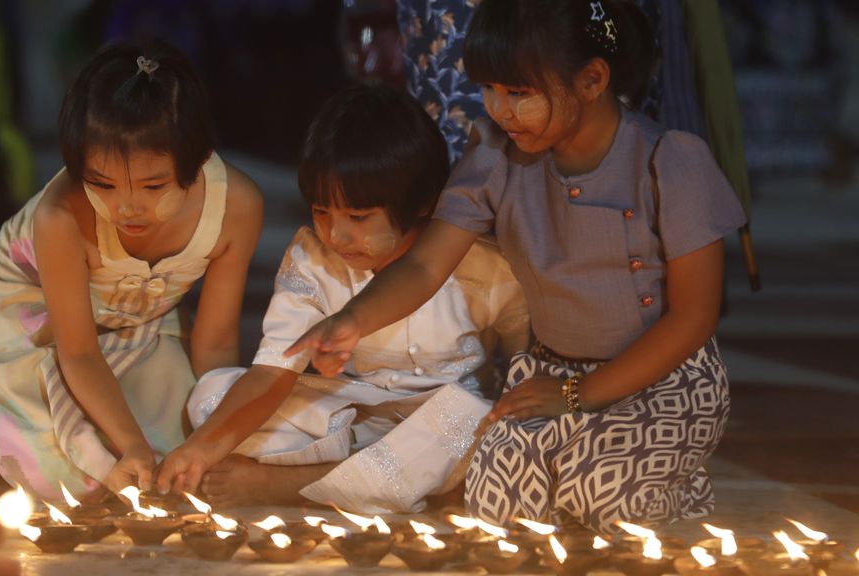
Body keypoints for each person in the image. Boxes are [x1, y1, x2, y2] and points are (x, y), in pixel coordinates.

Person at [289, 0, 746, 533]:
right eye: (488, 89)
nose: (499, 109)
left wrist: (579, 397)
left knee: (602, 496)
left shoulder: (668, 161)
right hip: (550, 374)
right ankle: (588, 459)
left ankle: (675, 482)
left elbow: (694, 316)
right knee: (496, 502)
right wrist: (353, 319)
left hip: (661, 379)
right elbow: (425, 267)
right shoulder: (497, 156)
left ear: (592, 80)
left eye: (519, 93)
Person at [0, 39, 263, 499]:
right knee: (65, 475)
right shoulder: (61, 217)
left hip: (146, 315)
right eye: (102, 184)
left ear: (198, 159)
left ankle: (23, 427)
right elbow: (80, 353)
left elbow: (217, 342)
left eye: (153, 186)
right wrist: (129, 445)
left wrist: (209, 439)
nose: (126, 207)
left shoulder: (236, 207)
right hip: (47, 314)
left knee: (175, 456)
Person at [156, 84, 530, 514]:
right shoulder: (313, 261)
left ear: (423, 202)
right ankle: (386, 484)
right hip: (351, 421)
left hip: (440, 429)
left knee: (478, 424)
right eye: (321, 211)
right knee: (211, 397)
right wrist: (199, 450)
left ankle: (293, 485)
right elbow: (272, 373)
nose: (336, 234)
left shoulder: (486, 267)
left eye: (357, 216)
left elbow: (521, 361)